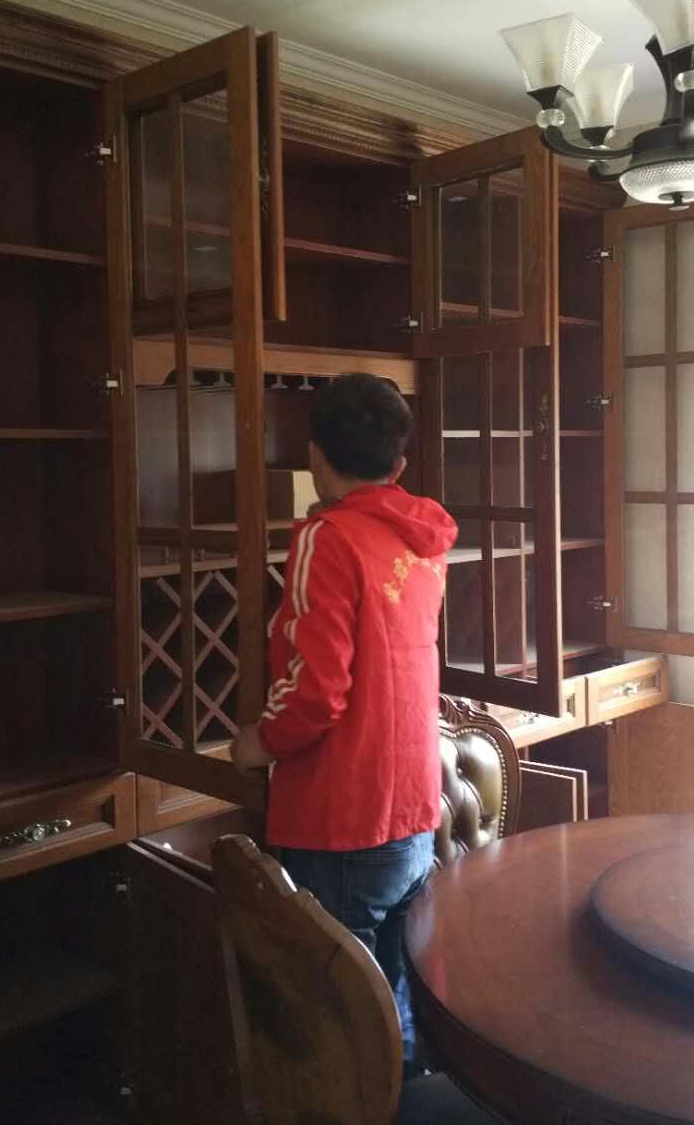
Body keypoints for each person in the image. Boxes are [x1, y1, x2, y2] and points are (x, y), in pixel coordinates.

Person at [230, 372, 456, 1071]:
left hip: (340, 810)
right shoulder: (425, 539)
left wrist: (259, 742)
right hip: (413, 800)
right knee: (394, 1005)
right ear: (399, 463)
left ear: (314, 456)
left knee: (339, 1018)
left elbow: (316, 691)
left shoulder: (326, 539)